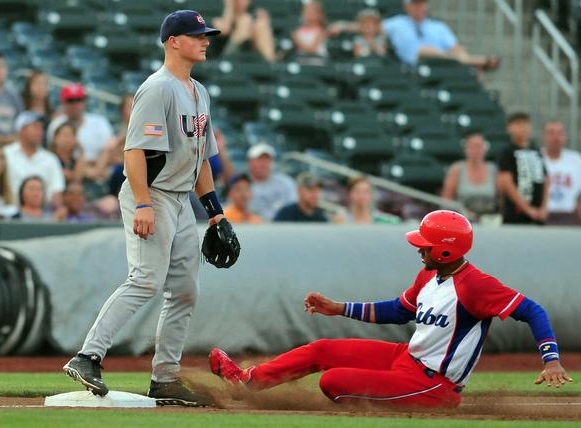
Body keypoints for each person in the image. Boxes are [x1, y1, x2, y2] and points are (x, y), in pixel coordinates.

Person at [210, 210, 572, 408]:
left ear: (446, 250)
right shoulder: (429, 277)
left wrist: (551, 357)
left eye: (425, 245)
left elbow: (533, 310)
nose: (419, 249)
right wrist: (338, 308)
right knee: (321, 350)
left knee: (333, 381)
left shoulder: (475, 285)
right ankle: (248, 384)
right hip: (406, 358)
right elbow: (398, 311)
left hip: (433, 385)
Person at [62, 10, 238, 407]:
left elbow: (202, 161)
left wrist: (216, 212)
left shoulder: (199, 92)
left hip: (180, 201)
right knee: (146, 279)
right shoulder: (157, 88)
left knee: (186, 291)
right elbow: (134, 152)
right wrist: (142, 202)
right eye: (197, 35)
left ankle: (166, 378)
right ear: (173, 41)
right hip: (152, 194)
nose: (205, 40)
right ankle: (87, 356)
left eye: (205, 35)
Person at [383, 0, 500, 69]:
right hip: (411, 67)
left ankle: (467, 61)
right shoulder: (395, 23)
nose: (419, 8)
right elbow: (371, 30)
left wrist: (460, 55)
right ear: (407, 6)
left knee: (457, 54)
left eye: (421, 4)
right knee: (425, 50)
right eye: (415, 4)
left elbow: (455, 47)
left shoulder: (438, 26)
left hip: (444, 67)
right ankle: (474, 61)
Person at [4, 111, 65, 207]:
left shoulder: (51, 159)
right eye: (35, 127)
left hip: (43, 216)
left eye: (41, 128)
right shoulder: (5, 155)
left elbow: (57, 193)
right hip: (10, 215)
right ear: (22, 130)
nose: (40, 132)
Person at [497, 113, 549, 225]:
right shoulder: (507, 152)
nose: (523, 128)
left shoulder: (536, 151)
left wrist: (544, 208)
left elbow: (545, 179)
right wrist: (527, 209)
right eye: (518, 124)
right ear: (509, 128)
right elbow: (507, 183)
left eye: (526, 124)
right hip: (515, 215)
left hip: (538, 215)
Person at [47, 83, 114, 165]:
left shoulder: (100, 123)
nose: (75, 105)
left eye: (79, 99)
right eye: (70, 100)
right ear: (63, 103)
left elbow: (111, 152)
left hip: (100, 170)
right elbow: (53, 155)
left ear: (85, 101)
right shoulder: (56, 124)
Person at [441, 132, 498, 219]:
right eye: (472, 146)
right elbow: (447, 200)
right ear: (465, 149)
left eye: (478, 146)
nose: (475, 150)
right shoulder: (456, 169)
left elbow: (501, 200)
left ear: (485, 149)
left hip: (490, 220)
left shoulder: (493, 170)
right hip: (462, 220)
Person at [541, 120, 581, 225]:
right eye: (551, 133)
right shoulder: (537, 158)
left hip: (569, 215)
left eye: (560, 133)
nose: (556, 138)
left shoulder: (576, 160)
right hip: (543, 214)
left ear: (565, 136)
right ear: (544, 137)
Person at [212, 0, 276, 62]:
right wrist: (229, 8)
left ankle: (272, 65)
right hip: (228, 56)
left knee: (261, 24)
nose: (242, 1)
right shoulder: (219, 17)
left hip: (251, 55)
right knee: (245, 21)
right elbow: (225, 29)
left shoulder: (252, 19)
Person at [248, 143, 297, 221]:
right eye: (260, 159)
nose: (264, 163)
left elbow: (293, 208)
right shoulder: (243, 185)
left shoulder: (286, 183)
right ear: (250, 162)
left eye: (267, 159)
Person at [22, 70, 53, 140]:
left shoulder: (53, 114)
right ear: (29, 86)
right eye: (37, 83)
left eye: (44, 83)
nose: (41, 87)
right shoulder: (21, 111)